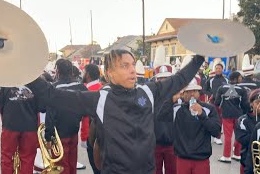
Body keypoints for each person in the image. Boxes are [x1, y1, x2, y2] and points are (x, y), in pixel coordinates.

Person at [27, 49, 205, 174]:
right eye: (124, 66)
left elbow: (180, 78)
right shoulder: (99, 99)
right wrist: (22, 70)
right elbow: (51, 95)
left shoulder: (148, 92)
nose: (132, 70)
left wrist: (199, 57)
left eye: (132, 65)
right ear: (110, 73)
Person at [159, 78, 221, 174]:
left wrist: (202, 115)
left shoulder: (208, 108)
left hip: (201, 159)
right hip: (182, 158)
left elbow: (216, 131)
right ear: (183, 94)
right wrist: (171, 100)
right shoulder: (176, 109)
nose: (192, 94)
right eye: (188, 91)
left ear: (199, 93)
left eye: (195, 91)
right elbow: (161, 116)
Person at [44, 59, 88, 174]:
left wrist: (48, 137)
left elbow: (50, 115)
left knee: (61, 166)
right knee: (72, 163)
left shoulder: (53, 88)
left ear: (58, 71)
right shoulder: (80, 87)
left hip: (59, 133)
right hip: (74, 130)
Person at [0, 86, 39, 174]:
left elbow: (1, 106)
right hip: (30, 125)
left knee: (7, 157)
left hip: (10, 124)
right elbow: (41, 107)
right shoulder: (35, 82)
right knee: (28, 158)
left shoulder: (5, 83)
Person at [215, 71, 250, 163]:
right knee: (238, 135)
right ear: (236, 78)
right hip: (239, 115)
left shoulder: (221, 88)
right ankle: (237, 154)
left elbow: (217, 102)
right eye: (240, 77)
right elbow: (245, 104)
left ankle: (226, 156)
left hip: (226, 115)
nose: (241, 79)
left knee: (228, 136)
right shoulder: (242, 89)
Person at [153, 64, 176, 174]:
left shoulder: (178, 97)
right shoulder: (150, 96)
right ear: (156, 79)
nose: (163, 81)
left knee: (172, 171)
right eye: (160, 78)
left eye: (166, 78)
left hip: (172, 144)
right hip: (154, 144)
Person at [80, 64, 102, 174]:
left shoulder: (87, 90)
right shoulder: (103, 87)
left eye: (84, 72)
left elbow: (85, 117)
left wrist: (84, 137)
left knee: (96, 168)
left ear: (88, 75)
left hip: (92, 136)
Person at [235, 89, 260, 174]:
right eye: (258, 102)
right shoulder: (243, 120)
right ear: (251, 104)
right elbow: (241, 138)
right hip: (248, 162)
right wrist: (257, 129)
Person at [204, 63, 228, 145]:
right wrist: (210, 94)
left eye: (219, 68)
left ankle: (218, 137)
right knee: (213, 119)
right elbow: (204, 89)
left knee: (220, 120)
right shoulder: (210, 80)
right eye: (216, 68)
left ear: (222, 69)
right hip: (212, 102)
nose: (218, 70)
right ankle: (213, 135)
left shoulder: (226, 80)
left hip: (222, 103)